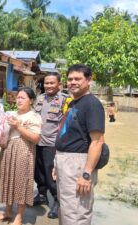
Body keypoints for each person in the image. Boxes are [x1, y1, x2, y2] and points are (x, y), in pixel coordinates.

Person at [54, 64, 105, 225]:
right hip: (65, 160)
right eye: (70, 79)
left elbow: (97, 141)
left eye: (78, 79)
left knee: (77, 212)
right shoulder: (73, 103)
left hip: (79, 163)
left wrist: (86, 174)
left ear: (88, 80)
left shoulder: (92, 104)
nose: (73, 82)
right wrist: (58, 163)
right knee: (67, 208)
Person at [0, 87, 42, 225]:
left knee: (22, 183)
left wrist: (18, 126)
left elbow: (35, 138)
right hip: (8, 150)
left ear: (31, 100)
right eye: (18, 97)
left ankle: (19, 216)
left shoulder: (34, 116)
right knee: (7, 180)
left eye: (23, 97)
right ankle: (8, 211)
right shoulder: (11, 114)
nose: (19, 100)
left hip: (24, 150)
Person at [33, 73, 71, 218]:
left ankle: (57, 200)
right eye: (46, 83)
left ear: (59, 84)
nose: (48, 85)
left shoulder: (65, 100)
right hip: (37, 141)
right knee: (38, 171)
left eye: (51, 83)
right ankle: (41, 194)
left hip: (52, 144)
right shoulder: (40, 98)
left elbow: (68, 124)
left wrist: (63, 145)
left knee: (51, 175)